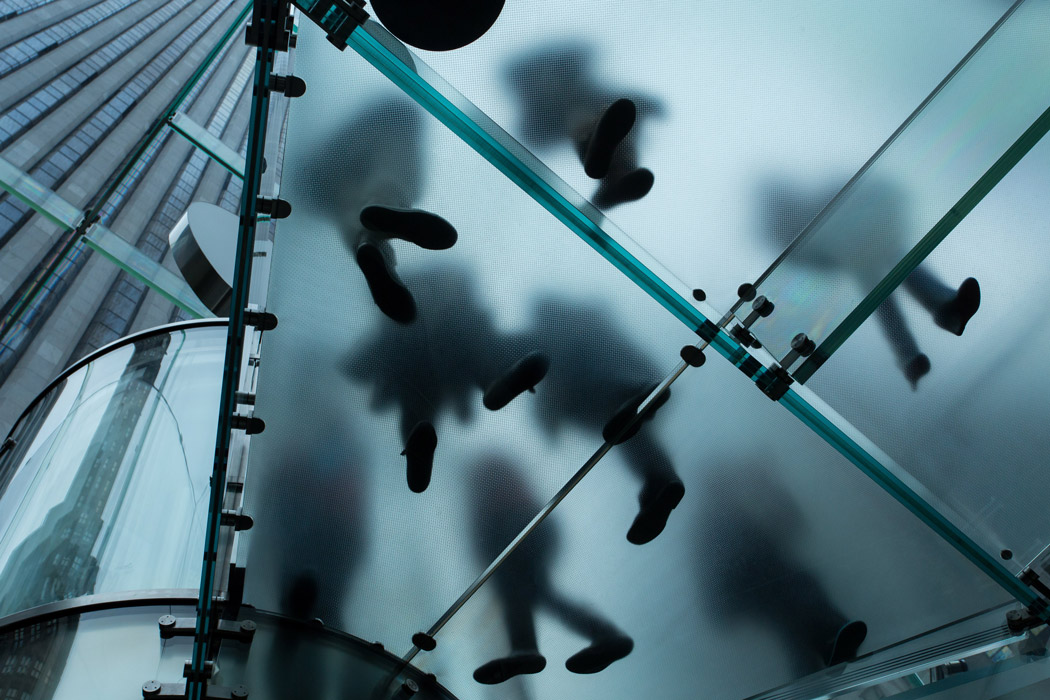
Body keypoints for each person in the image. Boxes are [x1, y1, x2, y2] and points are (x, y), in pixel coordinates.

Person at [343, 264, 549, 493]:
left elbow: (359, 367)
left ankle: (495, 386)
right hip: (453, 345)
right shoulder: (450, 305)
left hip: (425, 361)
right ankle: (495, 386)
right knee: (479, 364)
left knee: (417, 411)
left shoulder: (390, 342)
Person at [760, 176, 981, 388]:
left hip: (859, 247)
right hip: (855, 253)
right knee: (886, 287)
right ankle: (936, 320)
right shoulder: (796, 223)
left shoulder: (809, 209)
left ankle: (921, 340)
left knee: (886, 287)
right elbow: (809, 255)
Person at [516, 295, 684, 545]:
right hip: (626, 384)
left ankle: (636, 401)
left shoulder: (560, 337)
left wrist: (547, 418)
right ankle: (659, 479)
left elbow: (552, 400)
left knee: (622, 424)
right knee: (627, 431)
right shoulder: (588, 324)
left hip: (601, 390)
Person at [469, 455, 634, 685]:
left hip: (519, 524)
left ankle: (527, 649)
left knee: (520, 592)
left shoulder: (485, 473)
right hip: (530, 526)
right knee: (536, 593)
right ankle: (603, 634)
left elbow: (484, 522)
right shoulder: (490, 476)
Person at [299, 93, 459, 324]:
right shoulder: (399, 119)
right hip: (378, 131)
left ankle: (368, 243)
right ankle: (378, 221)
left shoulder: (361, 131)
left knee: (350, 210)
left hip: (316, 177)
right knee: (394, 176)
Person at [699, 462, 867, 674]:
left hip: (761, 585)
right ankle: (829, 639)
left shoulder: (735, 515)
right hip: (751, 589)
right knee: (796, 595)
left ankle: (825, 649)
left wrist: (769, 483)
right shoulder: (715, 524)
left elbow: (792, 524)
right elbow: (733, 568)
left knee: (794, 609)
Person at [503, 42, 664, 208]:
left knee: (615, 117)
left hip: (582, 115)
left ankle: (613, 176)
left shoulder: (585, 90)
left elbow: (636, 105)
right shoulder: (551, 102)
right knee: (587, 119)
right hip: (570, 117)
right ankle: (615, 173)